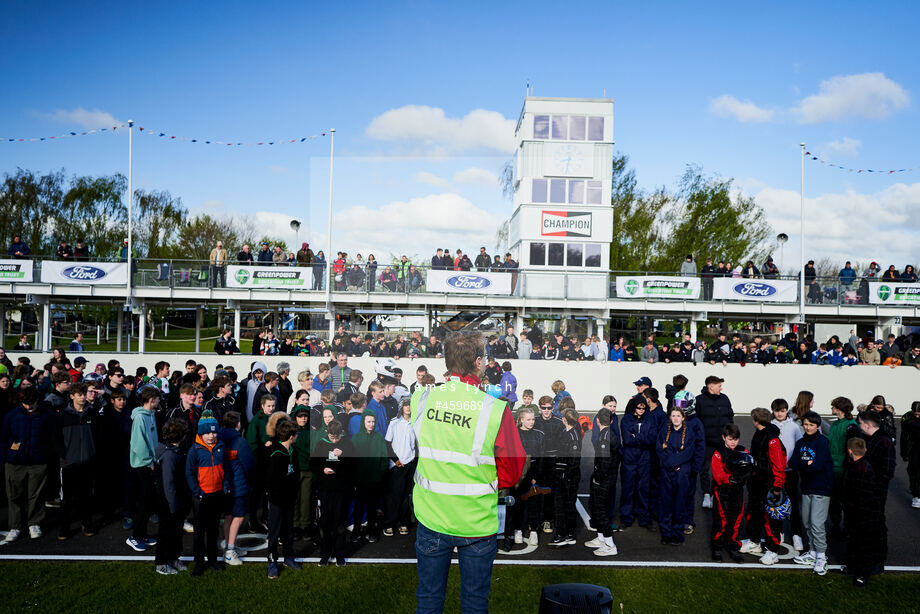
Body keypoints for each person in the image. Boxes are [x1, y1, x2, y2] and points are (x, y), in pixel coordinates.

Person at [411, 331, 525, 614]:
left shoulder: (421, 398)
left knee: (428, 600)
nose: (486, 362)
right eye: (484, 357)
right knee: (474, 604)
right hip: (476, 524)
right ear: (477, 362)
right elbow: (511, 473)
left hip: (431, 517)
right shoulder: (494, 410)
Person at [0, 388, 53, 544]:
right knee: (14, 495)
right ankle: (15, 526)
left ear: (38, 400)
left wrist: (45, 454)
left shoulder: (46, 415)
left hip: (38, 461)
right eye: (25, 404)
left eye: (32, 404)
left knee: (36, 495)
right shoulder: (12, 415)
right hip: (15, 462)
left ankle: (34, 523)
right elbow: (4, 437)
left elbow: (51, 437)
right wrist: (7, 455)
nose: (29, 407)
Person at [788, 411, 833, 575]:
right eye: (806, 424)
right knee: (807, 521)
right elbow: (793, 462)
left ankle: (822, 557)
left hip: (821, 488)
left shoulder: (822, 442)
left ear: (818, 426)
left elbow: (817, 466)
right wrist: (807, 463)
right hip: (806, 487)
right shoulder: (801, 442)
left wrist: (804, 463)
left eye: (811, 425)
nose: (807, 427)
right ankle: (812, 552)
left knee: (816, 523)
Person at [185, 410, 229, 577]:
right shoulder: (195, 450)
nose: (211, 436)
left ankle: (212, 560)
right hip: (201, 496)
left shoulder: (221, 446)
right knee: (199, 532)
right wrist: (197, 492)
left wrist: (225, 485)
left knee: (213, 530)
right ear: (201, 433)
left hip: (217, 494)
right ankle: (199, 563)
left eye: (214, 432)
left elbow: (225, 468)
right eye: (207, 432)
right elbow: (189, 473)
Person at [54, 382, 99, 540]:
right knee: (66, 498)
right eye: (79, 394)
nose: (82, 397)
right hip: (68, 464)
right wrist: (65, 456)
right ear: (72, 396)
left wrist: (93, 454)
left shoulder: (92, 414)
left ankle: (87, 523)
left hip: (88, 462)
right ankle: (64, 526)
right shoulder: (62, 416)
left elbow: (98, 436)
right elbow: (56, 439)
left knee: (86, 496)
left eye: (83, 394)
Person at [741, 408, 786, 565]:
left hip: (769, 484)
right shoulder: (758, 433)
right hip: (756, 481)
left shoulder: (772, 439)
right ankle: (755, 542)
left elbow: (779, 465)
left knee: (770, 518)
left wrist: (777, 487)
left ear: (756, 420)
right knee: (754, 513)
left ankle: (773, 551)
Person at [844, 437, 885, 588]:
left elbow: (863, 495)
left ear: (849, 451)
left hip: (863, 515)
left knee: (864, 545)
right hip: (859, 512)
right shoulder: (858, 465)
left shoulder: (862, 469)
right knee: (855, 542)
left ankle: (863, 575)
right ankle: (854, 568)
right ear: (865, 450)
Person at [311, 418, 352, 566]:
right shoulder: (321, 444)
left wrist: (343, 455)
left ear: (341, 433)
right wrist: (322, 470)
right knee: (325, 523)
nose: (334, 441)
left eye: (337, 437)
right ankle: (325, 554)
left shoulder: (347, 444)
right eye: (331, 437)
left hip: (341, 491)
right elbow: (313, 465)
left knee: (340, 523)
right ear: (327, 433)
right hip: (325, 490)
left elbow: (353, 466)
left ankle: (340, 553)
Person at [126, 387, 161, 553]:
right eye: (158, 398)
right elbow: (138, 444)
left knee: (148, 502)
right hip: (142, 465)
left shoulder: (151, 415)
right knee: (144, 501)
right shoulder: (140, 417)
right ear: (152, 399)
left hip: (150, 463)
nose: (160, 401)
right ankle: (135, 536)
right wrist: (148, 461)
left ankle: (143, 533)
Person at [657, 407, 698, 546]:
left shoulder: (689, 432)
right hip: (667, 471)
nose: (675, 418)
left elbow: (689, 452)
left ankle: (677, 533)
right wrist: (670, 464)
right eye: (673, 415)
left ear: (683, 418)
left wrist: (676, 463)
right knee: (666, 503)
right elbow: (660, 449)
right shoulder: (664, 431)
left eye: (678, 416)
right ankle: (666, 533)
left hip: (682, 472)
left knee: (680, 504)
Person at [154, 418, 189, 575]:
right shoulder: (169, 456)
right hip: (168, 503)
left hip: (176, 500)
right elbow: (169, 484)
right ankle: (161, 562)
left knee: (176, 532)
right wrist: (174, 506)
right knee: (166, 532)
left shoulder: (175, 451)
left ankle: (174, 557)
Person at [265, 418, 300, 579]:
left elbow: (296, 474)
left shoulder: (294, 451)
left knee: (288, 531)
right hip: (277, 501)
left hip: (290, 500)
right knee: (274, 532)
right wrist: (276, 497)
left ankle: (288, 557)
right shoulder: (275, 454)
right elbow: (270, 480)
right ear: (291, 436)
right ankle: (272, 562)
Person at [219, 411, 254, 566]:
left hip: (224, 484)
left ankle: (229, 546)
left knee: (228, 516)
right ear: (238, 424)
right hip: (238, 484)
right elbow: (249, 465)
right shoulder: (240, 442)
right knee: (238, 517)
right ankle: (230, 550)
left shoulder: (218, 438)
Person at [710, 424, 747, 563]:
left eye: (736, 439)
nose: (733, 442)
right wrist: (730, 478)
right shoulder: (718, 453)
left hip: (738, 492)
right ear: (723, 438)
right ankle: (717, 548)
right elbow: (718, 475)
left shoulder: (743, 451)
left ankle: (733, 548)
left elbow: (749, 468)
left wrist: (742, 477)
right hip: (722, 492)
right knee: (720, 521)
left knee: (736, 521)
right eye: (731, 439)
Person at [696, 375, 734, 509]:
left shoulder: (725, 398)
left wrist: (731, 435)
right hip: (707, 442)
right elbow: (696, 421)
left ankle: (714, 493)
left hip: (722, 442)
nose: (721, 388)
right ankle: (706, 494)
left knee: (722, 469)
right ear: (710, 386)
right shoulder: (699, 400)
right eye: (719, 385)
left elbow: (730, 417)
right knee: (705, 469)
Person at [351, 409, 388, 544]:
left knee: (372, 509)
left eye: (373, 422)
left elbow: (384, 458)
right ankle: (356, 531)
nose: (371, 424)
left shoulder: (378, 437)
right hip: (360, 481)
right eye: (368, 422)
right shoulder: (355, 439)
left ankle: (372, 531)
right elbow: (352, 462)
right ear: (363, 422)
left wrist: (379, 474)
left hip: (374, 481)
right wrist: (355, 478)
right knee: (359, 508)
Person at [771, 398, 804, 552]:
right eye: (777, 411)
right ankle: (779, 532)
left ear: (786, 411)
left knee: (794, 504)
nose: (780, 413)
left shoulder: (794, 427)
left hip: (791, 472)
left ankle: (797, 534)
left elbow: (799, 447)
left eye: (783, 410)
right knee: (775, 503)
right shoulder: (770, 426)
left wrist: (794, 463)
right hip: (775, 473)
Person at [586, 408, 618, 556]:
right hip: (608, 478)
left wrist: (597, 478)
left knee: (600, 511)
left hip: (603, 480)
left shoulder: (604, 437)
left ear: (597, 420)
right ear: (611, 421)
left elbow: (604, 463)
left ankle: (610, 545)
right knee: (598, 510)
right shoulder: (609, 434)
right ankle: (600, 539)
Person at [383, 399, 417, 537]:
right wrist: (396, 461)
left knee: (406, 496)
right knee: (395, 496)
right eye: (405, 405)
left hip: (410, 464)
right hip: (398, 465)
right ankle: (389, 523)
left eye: (410, 405)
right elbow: (387, 443)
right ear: (401, 407)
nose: (408, 408)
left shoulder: (415, 423)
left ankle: (404, 523)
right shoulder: (394, 422)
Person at [549, 408, 581, 548]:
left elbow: (573, 462)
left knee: (564, 505)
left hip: (567, 478)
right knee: (564, 506)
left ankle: (564, 534)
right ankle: (567, 533)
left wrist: (564, 476)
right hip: (562, 475)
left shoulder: (573, 436)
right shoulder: (565, 432)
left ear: (564, 420)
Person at [828, 397, 859, 535]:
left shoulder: (851, 425)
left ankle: (848, 527)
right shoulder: (835, 424)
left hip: (844, 469)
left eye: (833, 406)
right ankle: (835, 525)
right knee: (833, 501)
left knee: (845, 501)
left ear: (839, 408)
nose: (832, 409)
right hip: (831, 468)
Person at [902, 402, 920, 509]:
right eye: (915, 414)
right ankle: (915, 491)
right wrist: (903, 452)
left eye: (919, 414)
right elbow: (904, 437)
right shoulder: (907, 418)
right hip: (914, 448)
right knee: (912, 470)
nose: (917, 416)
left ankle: (917, 495)